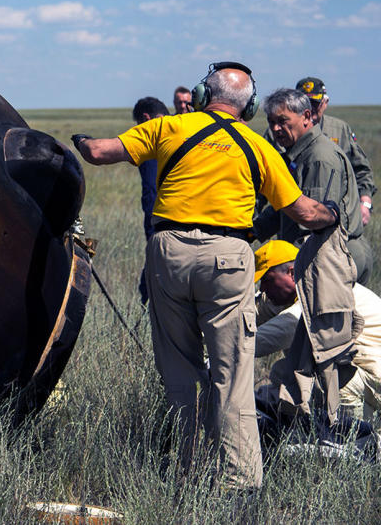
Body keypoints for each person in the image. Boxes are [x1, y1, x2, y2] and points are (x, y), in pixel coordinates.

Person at [71, 61, 339, 491]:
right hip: (229, 260)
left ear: (199, 94)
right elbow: (304, 212)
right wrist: (334, 214)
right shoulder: (259, 146)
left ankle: (188, 475)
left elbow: (99, 152)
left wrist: (80, 139)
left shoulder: (169, 128)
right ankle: (239, 487)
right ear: (249, 106)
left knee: (180, 373)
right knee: (232, 377)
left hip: (168, 253)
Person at [253, 240, 381, 423]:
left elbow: (287, 326)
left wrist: (226, 349)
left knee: (328, 378)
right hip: (363, 375)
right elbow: (257, 309)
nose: (263, 288)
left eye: (267, 280)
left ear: (291, 272)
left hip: (373, 377)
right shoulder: (297, 288)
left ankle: (355, 437)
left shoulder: (321, 290)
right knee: (283, 372)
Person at [255, 87, 373, 284]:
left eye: (282, 121)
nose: (275, 129)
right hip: (324, 256)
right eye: (271, 122)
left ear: (306, 116)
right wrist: (252, 231)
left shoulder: (317, 158)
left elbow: (311, 221)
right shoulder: (297, 155)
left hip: (335, 258)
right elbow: (286, 208)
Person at [297, 77, 375, 226]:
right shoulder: (281, 131)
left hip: (339, 220)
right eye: (302, 104)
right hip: (296, 221)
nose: (309, 109)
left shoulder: (340, 129)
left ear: (325, 103)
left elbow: (361, 170)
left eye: (314, 103)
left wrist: (365, 203)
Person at [131, 96, 169, 303]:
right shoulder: (185, 132)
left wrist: (152, 231)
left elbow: (151, 191)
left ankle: (146, 317)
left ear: (146, 118)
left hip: (161, 223)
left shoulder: (154, 140)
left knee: (154, 280)